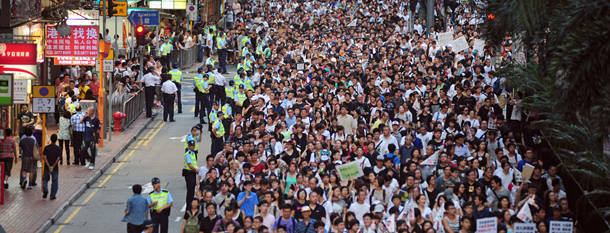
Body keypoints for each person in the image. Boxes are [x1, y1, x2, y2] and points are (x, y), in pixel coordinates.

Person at [42, 134, 61, 199]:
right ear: (56, 140)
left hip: (47, 167)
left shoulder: (46, 148)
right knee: (54, 181)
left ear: (50, 139)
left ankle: (45, 189)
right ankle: (52, 195)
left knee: (45, 179)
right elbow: (58, 158)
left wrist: (48, 166)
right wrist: (53, 166)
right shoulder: (58, 148)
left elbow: (44, 157)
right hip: (55, 168)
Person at [184, 140, 199, 210]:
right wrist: (196, 169)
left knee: (192, 189)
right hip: (189, 173)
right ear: (188, 146)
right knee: (190, 190)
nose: (193, 147)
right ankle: (189, 207)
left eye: (193, 146)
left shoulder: (193, 153)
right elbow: (190, 165)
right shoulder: (188, 154)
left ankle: (191, 205)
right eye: (191, 146)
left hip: (193, 173)